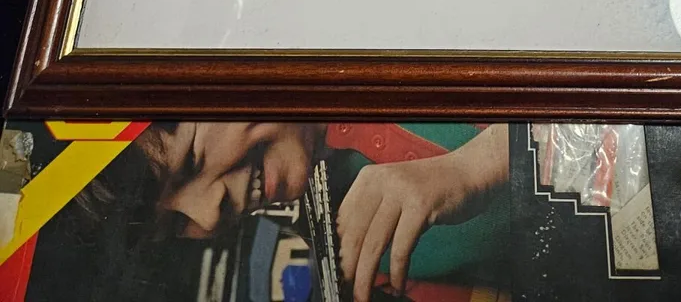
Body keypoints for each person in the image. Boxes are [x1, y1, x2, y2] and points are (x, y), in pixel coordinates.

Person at [29, 121, 510, 302]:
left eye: (193, 159)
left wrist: (479, 167)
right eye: (175, 225)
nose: (210, 216)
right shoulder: (355, 246)